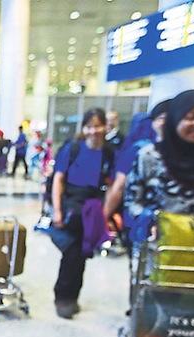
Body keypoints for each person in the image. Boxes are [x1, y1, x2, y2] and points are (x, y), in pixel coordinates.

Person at [124, 89, 194, 221]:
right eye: (191, 117)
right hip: (157, 238)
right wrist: (150, 221)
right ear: (175, 118)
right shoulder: (149, 155)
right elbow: (131, 200)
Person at [49, 108, 115, 319]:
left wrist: (106, 215)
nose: (94, 131)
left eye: (98, 125)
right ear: (84, 128)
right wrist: (57, 210)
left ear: (105, 127)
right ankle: (63, 298)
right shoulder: (73, 148)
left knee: (83, 255)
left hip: (93, 208)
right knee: (71, 253)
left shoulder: (109, 152)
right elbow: (58, 180)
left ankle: (72, 297)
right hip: (71, 205)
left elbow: (113, 184)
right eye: (90, 126)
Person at [103, 99, 170, 225]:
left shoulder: (136, 148)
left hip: (141, 220)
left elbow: (119, 185)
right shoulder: (142, 151)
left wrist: (104, 216)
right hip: (161, 222)